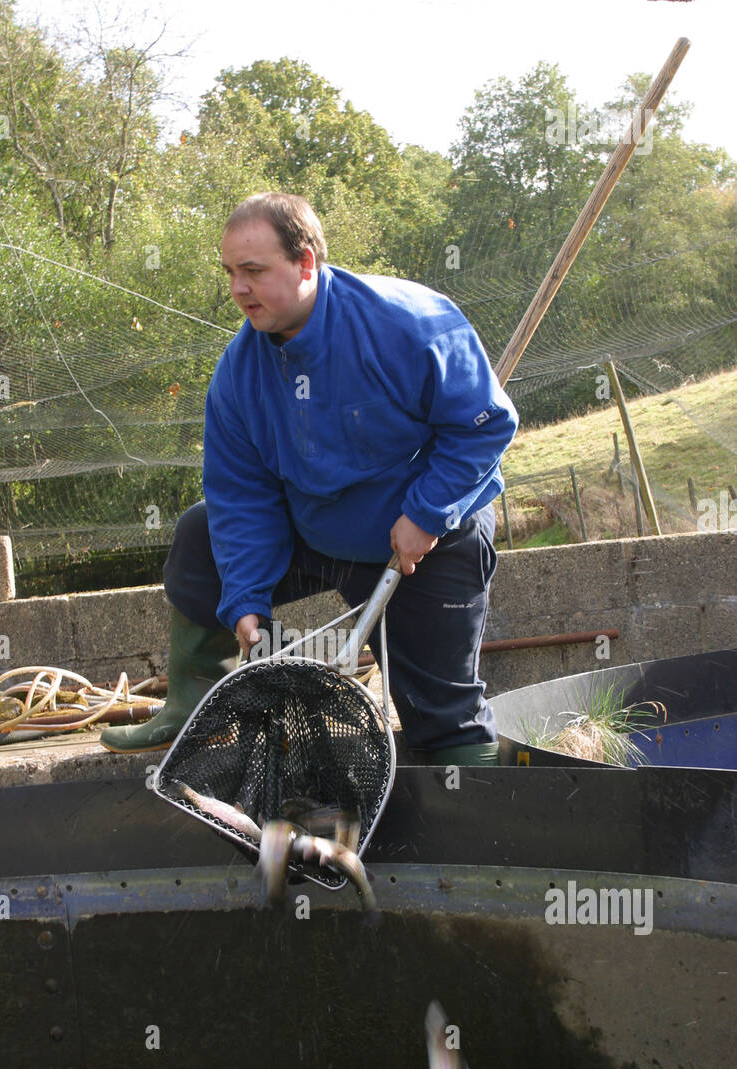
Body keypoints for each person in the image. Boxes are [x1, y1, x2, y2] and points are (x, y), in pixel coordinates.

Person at [101, 192, 518, 763]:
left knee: (443, 718)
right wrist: (245, 600)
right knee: (201, 534)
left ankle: (472, 815)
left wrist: (427, 514)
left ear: (305, 263)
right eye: (230, 272)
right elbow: (243, 498)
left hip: (425, 538)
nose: (237, 289)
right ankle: (197, 712)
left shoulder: (410, 324)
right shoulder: (237, 376)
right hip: (317, 532)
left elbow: (484, 426)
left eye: (253, 271)